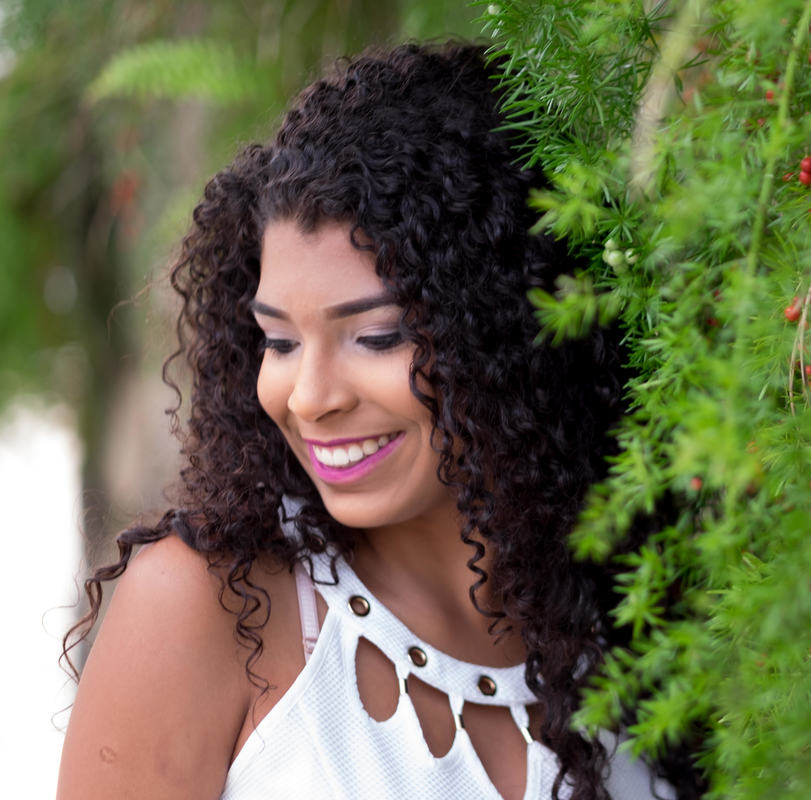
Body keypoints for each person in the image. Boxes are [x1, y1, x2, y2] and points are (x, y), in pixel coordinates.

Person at [58, 42, 698, 800]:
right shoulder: (211, 610)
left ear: (511, 328)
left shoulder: (646, 612)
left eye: (378, 336)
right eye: (281, 341)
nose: (309, 397)